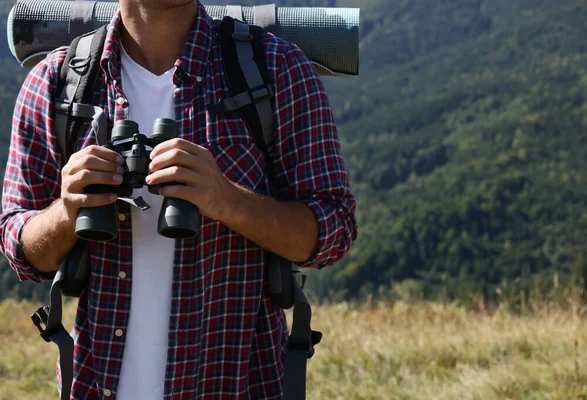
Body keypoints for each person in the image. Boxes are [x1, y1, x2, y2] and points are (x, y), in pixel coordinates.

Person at [0, 0, 357, 398]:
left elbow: (333, 229)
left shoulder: (277, 68)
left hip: (233, 384)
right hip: (94, 384)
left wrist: (227, 200)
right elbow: (22, 249)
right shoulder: (57, 80)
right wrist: (67, 212)